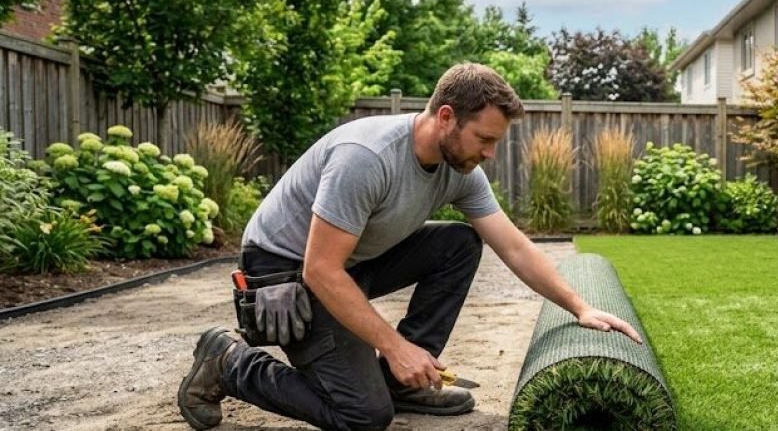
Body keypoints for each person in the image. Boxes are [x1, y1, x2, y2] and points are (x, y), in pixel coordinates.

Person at [176, 63, 642, 430]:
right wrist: (395, 346)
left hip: (347, 261)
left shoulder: (459, 171)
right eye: (484, 139)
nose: (489, 153)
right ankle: (229, 363)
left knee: (460, 242)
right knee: (362, 416)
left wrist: (579, 307)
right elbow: (321, 270)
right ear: (446, 117)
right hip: (286, 270)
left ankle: (403, 384)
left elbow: (514, 247)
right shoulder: (368, 157)